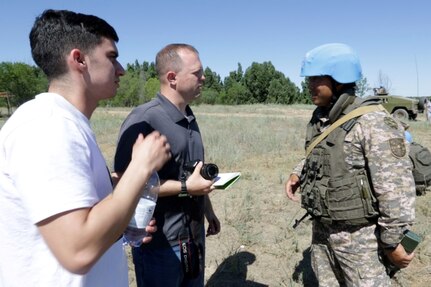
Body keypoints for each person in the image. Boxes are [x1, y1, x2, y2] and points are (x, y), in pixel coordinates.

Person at [0, 9, 171, 287]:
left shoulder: (65, 124)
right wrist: (140, 167)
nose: (122, 70)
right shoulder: (47, 126)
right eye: (111, 57)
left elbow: (81, 223)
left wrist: (119, 221)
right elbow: (77, 251)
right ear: (79, 59)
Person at [285, 43, 416, 286]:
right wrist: (298, 173)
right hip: (323, 233)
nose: (309, 85)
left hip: (361, 241)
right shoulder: (322, 118)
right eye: (309, 78)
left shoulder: (372, 122)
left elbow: (396, 189)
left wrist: (393, 241)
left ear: (339, 80)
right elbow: (326, 154)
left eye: (316, 78)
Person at [114, 43, 220, 287]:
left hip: (193, 238)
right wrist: (185, 187)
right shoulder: (144, 120)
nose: (203, 77)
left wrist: (208, 211)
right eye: (197, 73)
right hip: (161, 246)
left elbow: (195, 175)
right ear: (172, 77)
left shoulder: (189, 118)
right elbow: (123, 182)